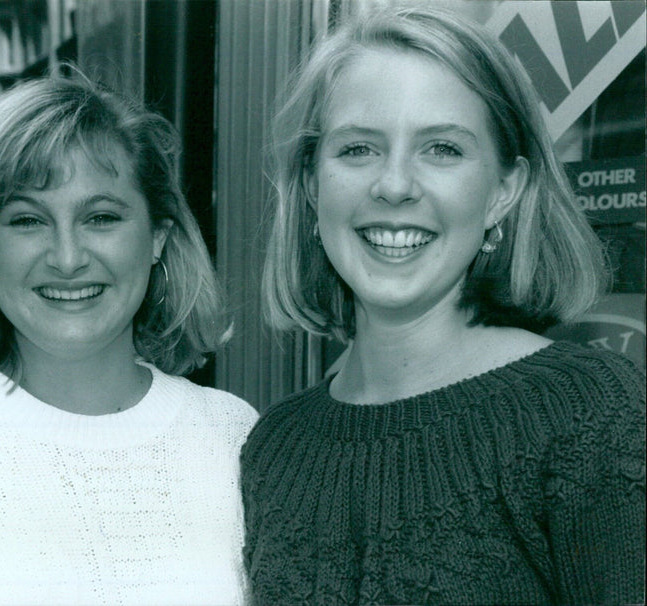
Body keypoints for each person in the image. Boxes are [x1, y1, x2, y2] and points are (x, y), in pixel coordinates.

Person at [241, 6, 645, 605]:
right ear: (310, 183)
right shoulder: (276, 446)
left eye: (442, 149)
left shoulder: (588, 411)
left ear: (503, 192)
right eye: (357, 150)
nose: (396, 184)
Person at [0, 71, 258, 605]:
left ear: (158, 236)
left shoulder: (232, 436)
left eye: (101, 217)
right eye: (27, 221)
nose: (67, 257)